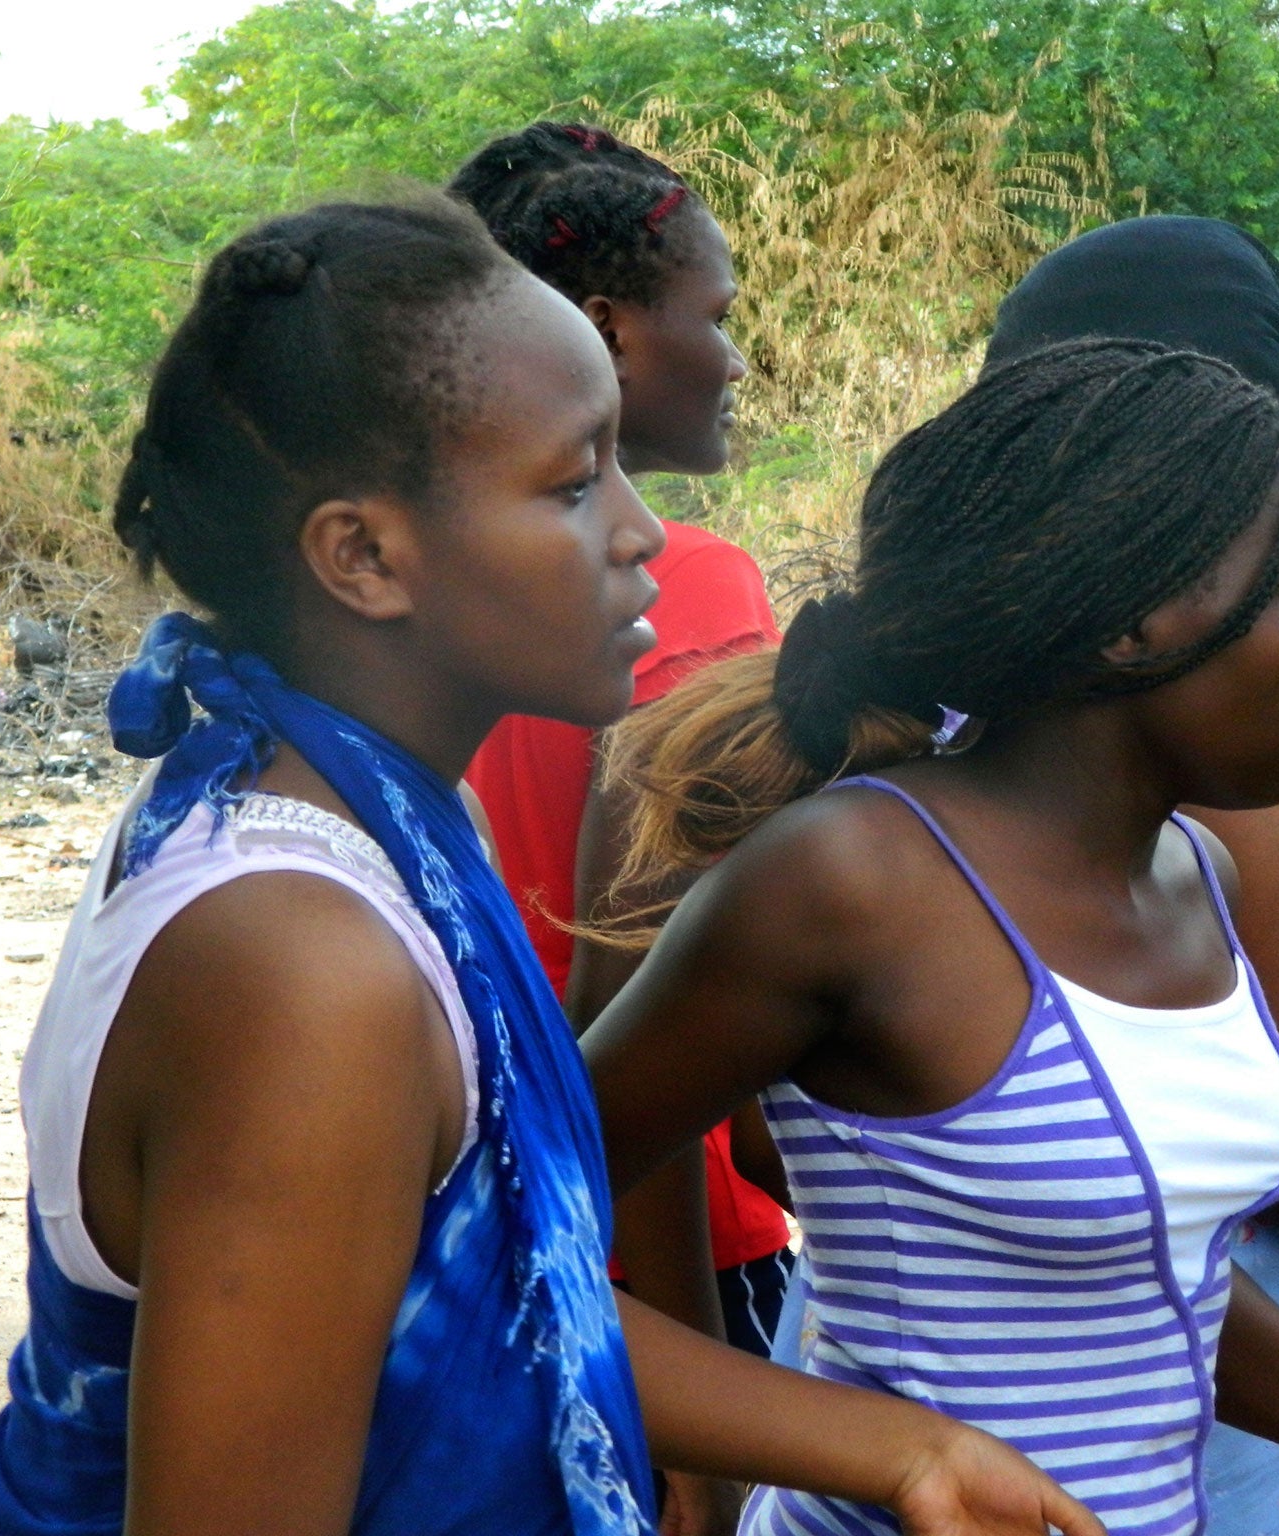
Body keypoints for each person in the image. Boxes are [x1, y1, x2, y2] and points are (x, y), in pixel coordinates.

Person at [0, 195, 1111, 1536]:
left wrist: (904, 1451)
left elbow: (487, 1282)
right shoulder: (304, 970)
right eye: (571, 483)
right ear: (365, 555)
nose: (641, 531)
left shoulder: (340, 812)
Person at [584, 338, 1279, 1533]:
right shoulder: (853, 881)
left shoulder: (1199, 875)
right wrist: (881, 1453)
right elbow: (501, 1219)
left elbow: (1136, 1284)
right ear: (1129, 625)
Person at [449, 124, 797, 1373]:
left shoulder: (435, 586)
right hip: (667, 1264)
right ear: (607, 331)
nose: (738, 356)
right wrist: (695, 1409)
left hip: (477, 1219)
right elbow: (633, 994)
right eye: (717, 314)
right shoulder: (687, 590)